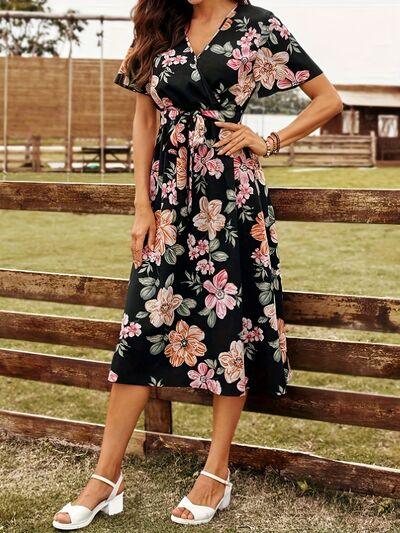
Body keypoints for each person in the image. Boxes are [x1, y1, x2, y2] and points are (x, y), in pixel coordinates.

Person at [53, 0, 342, 528]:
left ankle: (216, 472)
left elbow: (328, 100)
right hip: (166, 201)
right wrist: (142, 205)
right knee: (142, 327)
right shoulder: (163, 23)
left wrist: (269, 139)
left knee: (228, 325)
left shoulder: (258, 27)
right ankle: (106, 474)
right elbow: (145, 117)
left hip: (230, 199)